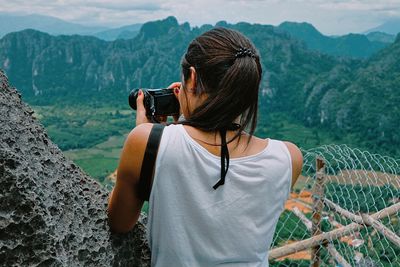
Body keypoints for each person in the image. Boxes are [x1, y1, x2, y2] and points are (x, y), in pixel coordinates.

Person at [107, 27, 303, 266]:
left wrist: (149, 135)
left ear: (191, 77)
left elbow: (120, 222)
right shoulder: (288, 158)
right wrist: (179, 127)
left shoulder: (148, 142)